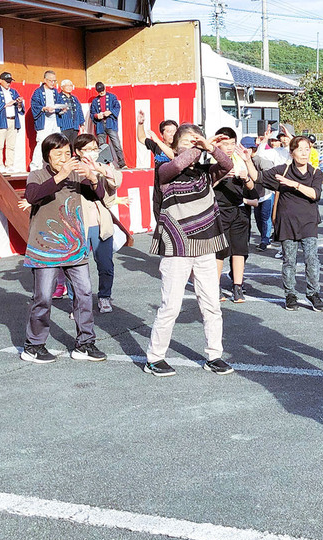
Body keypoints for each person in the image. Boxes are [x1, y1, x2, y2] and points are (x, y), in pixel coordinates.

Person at [145, 123, 235, 377]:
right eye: (186, 142)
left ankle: (214, 355)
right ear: (174, 147)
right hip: (176, 247)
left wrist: (212, 149)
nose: (192, 146)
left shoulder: (206, 173)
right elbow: (176, 165)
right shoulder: (164, 171)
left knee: (211, 305)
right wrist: (199, 147)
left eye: (196, 141)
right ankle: (155, 357)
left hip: (206, 246)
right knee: (170, 306)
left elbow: (228, 166)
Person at [20, 133, 108, 364]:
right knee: (43, 297)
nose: (64, 158)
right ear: (47, 155)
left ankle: (85, 343)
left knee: (85, 293)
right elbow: (32, 196)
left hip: (75, 246)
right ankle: (34, 345)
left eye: (67, 153)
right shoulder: (37, 175)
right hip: (45, 247)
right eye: (58, 153)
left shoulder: (77, 177)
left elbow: (99, 195)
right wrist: (60, 175)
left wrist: (93, 178)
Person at [260, 135, 323, 312]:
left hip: (309, 222)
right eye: (300, 149)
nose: (304, 153)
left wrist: (294, 184)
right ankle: (290, 294)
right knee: (289, 261)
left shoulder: (315, 172)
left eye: (307, 149)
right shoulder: (282, 170)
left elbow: (315, 194)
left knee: (312, 260)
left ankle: (313, 293)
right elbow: (260, 178)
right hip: (287, 222)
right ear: (292, 153)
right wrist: (247, 161)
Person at [68, 134, 124, 313]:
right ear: (77, 151)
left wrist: (99, 169)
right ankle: (77, 302)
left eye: (94, 149)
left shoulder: (102, 166)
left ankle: (104, 297)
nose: (92, 153)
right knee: (75, 265)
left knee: (105, 264)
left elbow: (117, 181)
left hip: (101, 223)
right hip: (79, 223)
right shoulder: (71, 168)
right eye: (87, 149)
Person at [212, 127, 257, 304]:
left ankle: (237, 286)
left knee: (239, 250)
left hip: (239, 210)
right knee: (220, 251)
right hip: (219, 211)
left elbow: (253, 187)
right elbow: (205, 187)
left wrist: (246, 178)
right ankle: (215, 286)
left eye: (232, 143)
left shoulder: (240, 160)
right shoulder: (212, 163)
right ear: (218, 145)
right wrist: (221, 178)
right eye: (225, 144)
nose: (229, 147)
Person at [0, 72, 25, 174]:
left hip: (13, 120)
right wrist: (7, 104)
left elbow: (20, 109)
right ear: (0, 81)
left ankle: (10, 165)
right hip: (2, 121)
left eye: (10, 81)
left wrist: (18, 103)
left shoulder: (14, 92)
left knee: (11, 145)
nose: (9, 83)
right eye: (7, 81)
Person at [29, 71, 62, 171]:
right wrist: (44, 108)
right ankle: (35, 166)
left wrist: (61, 108)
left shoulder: (55, 91)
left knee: (57, 142)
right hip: (44, 121)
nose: (53, 83)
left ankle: (54, 166)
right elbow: (34, 105)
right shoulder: (38, 92)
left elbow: (59, 103)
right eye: (50, 80)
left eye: (54, 81)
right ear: (45, 80)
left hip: (55, 120)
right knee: (41, 142)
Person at [90, 82, 126, 169]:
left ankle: (122, 163)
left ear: (104, 88)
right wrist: (96, 115)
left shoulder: (112, 97)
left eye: (102, 90)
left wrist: (110, 112)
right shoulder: (95, 101)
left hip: (110, 124)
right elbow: (92, 113)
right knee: (102, 146)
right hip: (100, 125)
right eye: (99, 91)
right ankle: (104, 165)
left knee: (116, 143)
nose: (101, 92)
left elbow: (117, 107)